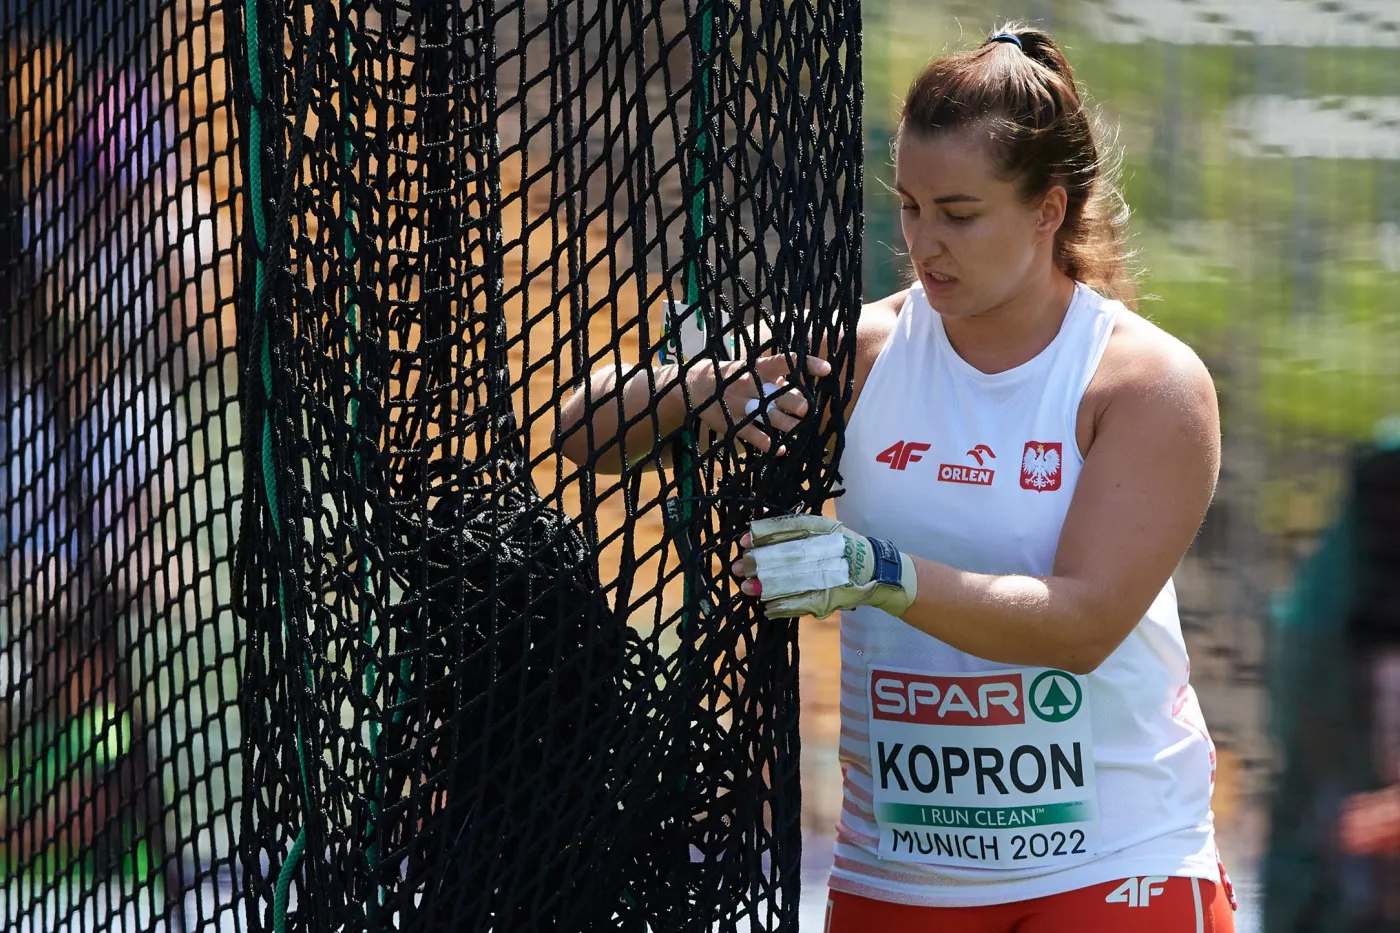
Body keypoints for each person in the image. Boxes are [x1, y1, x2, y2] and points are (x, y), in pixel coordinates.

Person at [558, 22, 1234, 933]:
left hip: (1114, 861)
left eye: (959, 213)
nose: (925, 241)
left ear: (1048, 210)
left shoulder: (1146, 382)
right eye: (910, 206)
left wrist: (881, 572)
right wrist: (704, 389)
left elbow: (1080, 626)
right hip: (903, 872)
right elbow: (581, 427)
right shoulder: (869, 351)